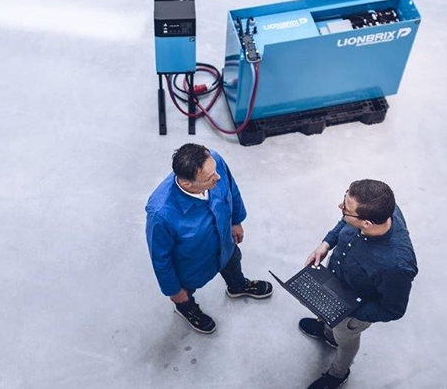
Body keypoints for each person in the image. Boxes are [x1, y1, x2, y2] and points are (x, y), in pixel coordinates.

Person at [300, 179, 418, 389]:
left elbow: (393, 309)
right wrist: (326, 244)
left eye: (345, 208)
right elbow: (344, 222)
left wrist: (346, 311)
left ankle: (338, 373)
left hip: (353, 312)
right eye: (345, 199)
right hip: (335, 283)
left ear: (367, 224)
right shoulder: (379, 210)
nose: (340, 207)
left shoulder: (396, 266)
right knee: (330, 324)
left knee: (345, 340)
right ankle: (327, 332)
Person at [145, 143, 273, 334]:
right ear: (188, 183)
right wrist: (174, 291)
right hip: (192, 265)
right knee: (186, 294)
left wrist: (236, 221)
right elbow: (160, 259)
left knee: (233, 263)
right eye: (210, 178)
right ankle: (187, 309)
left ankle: (238, 286)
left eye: (214, 170)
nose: (217, 176)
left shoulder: (214, 163)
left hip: (225, 244)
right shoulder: (161, 215)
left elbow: (232, 187)